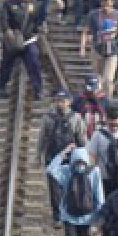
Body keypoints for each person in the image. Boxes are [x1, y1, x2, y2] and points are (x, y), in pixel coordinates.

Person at [47, 147, 105, 236]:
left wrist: (62, 154)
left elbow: (51, 170)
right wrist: (100, 218)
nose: (80, 165)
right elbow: (99, 195)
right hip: (86, 217)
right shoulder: (93, 171)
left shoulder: (67, 170)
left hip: (70, 216)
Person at [38, 89, 88, 227]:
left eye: (63, 101)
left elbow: (82, 139)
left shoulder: (76, 118)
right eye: (58, 101)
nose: (60, 103)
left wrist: (84, 155)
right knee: (54, 188)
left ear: (69, 102)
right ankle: (58, 216)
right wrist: (39, 154)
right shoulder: (48, 117)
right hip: (52, 156)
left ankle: (71, 211)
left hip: (71, 157)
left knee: (71, 185)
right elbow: (42, 136)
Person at [0, 0, 44, 99]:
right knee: (7, 64)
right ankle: (2, 87)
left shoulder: (34, 4)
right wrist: (7, 30)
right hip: (13, 39)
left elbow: (38, 20)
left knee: (34, 62)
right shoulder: (9, 3)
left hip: (28, 39)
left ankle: (38, 89)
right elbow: (3, 18)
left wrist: (39, 29)